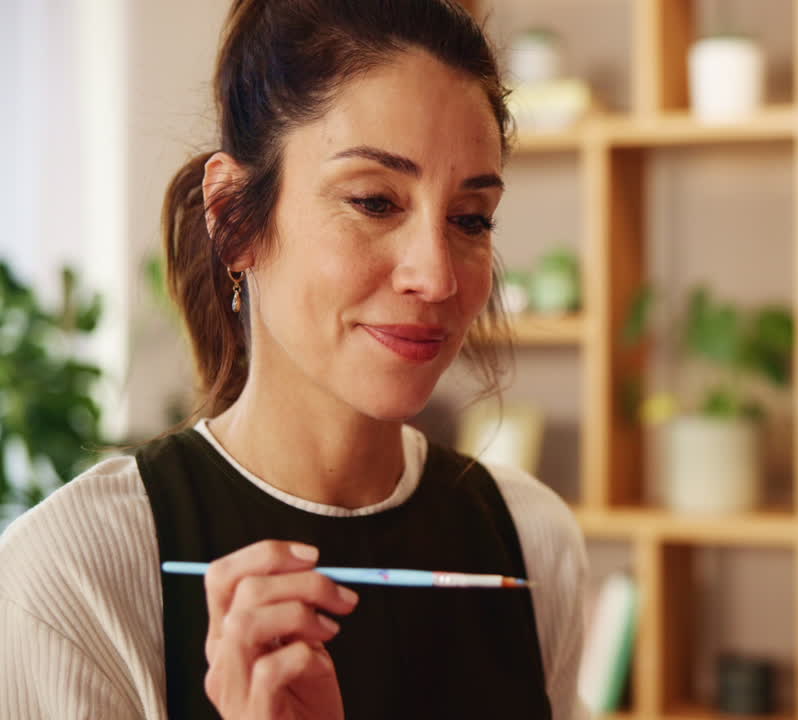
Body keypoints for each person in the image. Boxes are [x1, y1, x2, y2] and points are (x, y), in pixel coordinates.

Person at [0, 1, 588, 717]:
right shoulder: (73, 577)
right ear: (232, 219)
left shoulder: (534, 543)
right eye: (374, 201)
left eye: (470, 218)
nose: (435, 277)